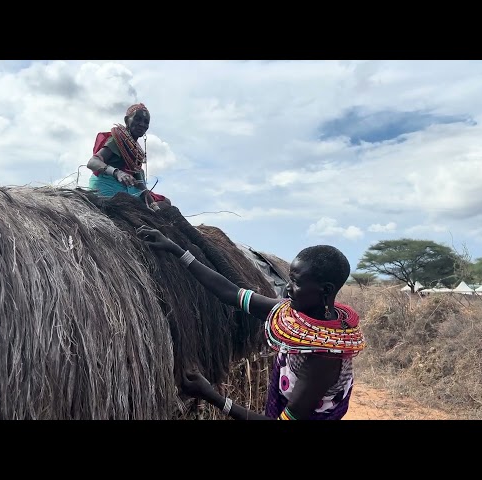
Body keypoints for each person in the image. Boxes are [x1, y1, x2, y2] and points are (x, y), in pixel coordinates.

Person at [136, 225, 366, 420]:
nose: (287, 288)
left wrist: (212, 396)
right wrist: (177, 250)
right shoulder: (290, 314)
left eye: (295, 282)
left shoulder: (322, 360)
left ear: (325, 290)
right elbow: (231, 293)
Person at [86, 103, 171, 211]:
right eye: (137, 119)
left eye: (146, 122)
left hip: (128, 190)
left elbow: (141, 185)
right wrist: (117, 173)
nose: (142, 124)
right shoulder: (116, 140)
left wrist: (154, 206)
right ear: (127, 120)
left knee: (166, 203)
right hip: (107, 187)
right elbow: (92, 162)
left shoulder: (136, 152)